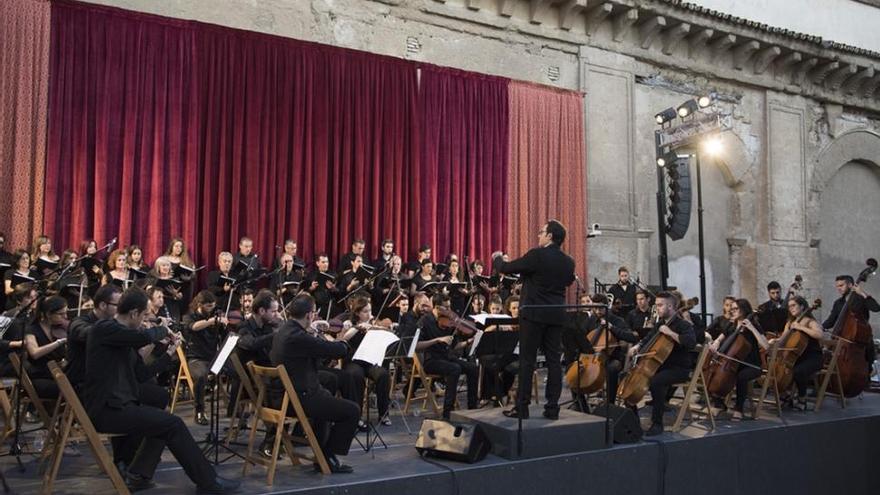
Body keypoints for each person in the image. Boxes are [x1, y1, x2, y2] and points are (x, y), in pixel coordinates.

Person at [83, 287, 239, 493]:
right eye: (144, 316)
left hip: (120, 405)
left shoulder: (124, 338)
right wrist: (164, 328)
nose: (145, 321)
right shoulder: (104, 329)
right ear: (134, 314)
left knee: (163, 420)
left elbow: (141, 375)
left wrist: (169, 354)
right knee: (172, 424)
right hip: (105, 410)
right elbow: (141, 338)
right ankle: (208, 484)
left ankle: (138, 474)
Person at [493, 220, 575, 420]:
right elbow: (568, 281)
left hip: (534, 314)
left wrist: (497, 258)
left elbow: (507, 267)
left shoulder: (537, 255)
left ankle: (522, 407)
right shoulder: (568, 261)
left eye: (541, 232)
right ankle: (552, 407)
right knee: (554, 361)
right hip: (556, 314)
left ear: (549, 236)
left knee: (527, 361)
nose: (538, 235)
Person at [269, 294, 360, 473]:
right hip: (298, 399)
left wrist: (312, 331)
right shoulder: (299, 337)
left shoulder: (285, 330)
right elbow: (337, 350)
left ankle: (322, 456)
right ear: (310, 315)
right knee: (352, 411)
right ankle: (327, 456)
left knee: (327, 393)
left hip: (282, 396)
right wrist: (343, 337)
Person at [627, 291, 696, 436]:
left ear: (670, 306)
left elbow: (690, 343)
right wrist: (638, 346)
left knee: (656, 382)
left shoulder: (683, 325)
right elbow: (648, 338)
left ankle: (657, 424)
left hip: (679, 368)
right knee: (626, 377)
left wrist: (670, 333)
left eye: (660, 305)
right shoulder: (660, 323)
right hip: (660, 365)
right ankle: (632, 419)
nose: (656, 308)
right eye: (656, 305)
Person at [416, 293, 479, 419]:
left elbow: (454, 345)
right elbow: (416, 345)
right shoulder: (425, 321)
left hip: (447, 357)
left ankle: (472, 408)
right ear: (437, 308)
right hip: (431, 360)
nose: (450, 312)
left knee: (473, 368)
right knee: (454, 369)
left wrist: (467, 342)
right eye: (447, 308)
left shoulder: (448, 322)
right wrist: (437, 340)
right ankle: (447, 412)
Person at [707, 299, 768, 418]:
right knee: (714, 372)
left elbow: (765, 345)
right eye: (732, 309)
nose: (732, 311)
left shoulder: (753, 324)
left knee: (741, 376)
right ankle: (719, 403)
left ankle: (739, 408)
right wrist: (715, 344)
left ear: (744, 310)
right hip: (732, 363)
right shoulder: (732, 324)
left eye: (736, 309)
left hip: (752, 365)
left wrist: (751, 328)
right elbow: (720, 338)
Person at [182, 291, 227, 425]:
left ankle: (235, 408)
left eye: (213, 306)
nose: (211, 309)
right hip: (196, 357)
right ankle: (199, 410)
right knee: (201, 376)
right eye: (208, 306)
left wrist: (224, 325)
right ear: (200, 304)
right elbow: (194, 327)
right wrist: (212, 321)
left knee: (237, 369)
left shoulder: (215, 315)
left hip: (213, 357)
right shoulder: (189, 316)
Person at [772, 296, 826, 409]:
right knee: (774, 370)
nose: (791, 308)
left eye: (793, 305)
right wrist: (774, 341)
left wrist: (801, 327)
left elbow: (820, 334)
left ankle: (802, 399)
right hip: (797, 357)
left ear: (802, 306)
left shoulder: (810, 321)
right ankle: (785, 396)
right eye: (789, 306)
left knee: (798, 371)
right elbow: (782, 340)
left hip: (813, 357)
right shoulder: (790, 322)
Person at [67, 284, 123, 390]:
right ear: (102, 305)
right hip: (85, 384)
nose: (121, 310)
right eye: (118, 305)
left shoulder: (113, 324)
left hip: (107, 380)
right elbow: (91, 334)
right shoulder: (79, 322)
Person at [822, 274, 880, 372]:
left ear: (850, 285)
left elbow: (876, 308)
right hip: (843, 340)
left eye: (841, 285)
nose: (838, 288)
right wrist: (820, 327)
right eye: (837, 286)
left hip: (860, 340)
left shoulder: (860, 298)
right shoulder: (838, 303)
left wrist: (862, 293)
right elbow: (831, 320)